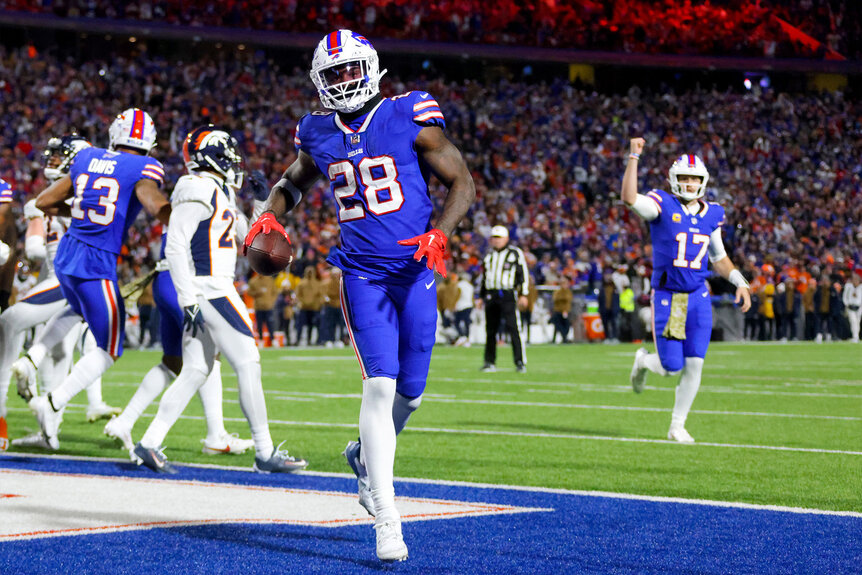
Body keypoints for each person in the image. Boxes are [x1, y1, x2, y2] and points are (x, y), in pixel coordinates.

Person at [244, 29, 474, 562]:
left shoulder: (409, 112)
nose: (345, 81)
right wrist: (271, 214)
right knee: (378, 387)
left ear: (369, 68)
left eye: (351, 70)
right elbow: (290, 182)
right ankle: (387, 517)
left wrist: (441, 231)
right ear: (319, 82)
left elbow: (462, 182)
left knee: (410, 394)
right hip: (362, 275)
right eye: (334, 74)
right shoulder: (317, 130)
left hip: (415, 271)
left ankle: (364, 457)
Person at [134, 125, 306, 474]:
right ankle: (265, 451)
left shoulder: (218, 191)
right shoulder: (195, 187)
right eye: (227, 152)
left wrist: (261, 201)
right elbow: (176, 244)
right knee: (248, 362)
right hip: (210, 288)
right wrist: (188, 298)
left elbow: (250, 240)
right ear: (211, 155)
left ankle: (148, 443)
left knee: (195, 370)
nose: (234, 160)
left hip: (209, 288)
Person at [17, 110, 171, 450]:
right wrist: (185, 213)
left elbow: (43, 201)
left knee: (74, 312)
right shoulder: (143, 169)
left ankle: (34, 360)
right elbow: (155, 205)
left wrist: (81, 212)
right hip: (96, 262)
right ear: (148, 142)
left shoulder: (87, 156)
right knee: (111, 347)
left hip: (67, 256)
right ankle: (54, 401)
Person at [623, 138, 751, 443]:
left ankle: (677, 425)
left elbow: (718, 258)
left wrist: (740, 282)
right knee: (670, 367)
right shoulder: (661, 204)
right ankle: (643, 361)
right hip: (671, 296)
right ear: (673, 180)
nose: (689, 183)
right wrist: (634, 157)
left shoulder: (712, 213)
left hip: (698, 297)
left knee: (695, 364)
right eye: (684, 178)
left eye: (694, 178)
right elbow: (628, 197)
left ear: (703, 181)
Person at [1, 135, 123, 451]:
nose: (51, 162)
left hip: (67, 276)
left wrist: (36, 221)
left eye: (59, 157)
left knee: (10, 323)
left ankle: (12, 397)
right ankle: (48, 432)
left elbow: (37, 250)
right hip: (68, 277)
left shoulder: (69, 199)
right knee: (60, 353)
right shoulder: (78, 196)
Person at [479, 225, 529, 373]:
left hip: (507, 294)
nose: (496, 240)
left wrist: (523, 294)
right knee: (491, 329)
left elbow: (522, 274)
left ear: (506, 238)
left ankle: (520, 361)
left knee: (513, 328)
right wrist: (481, 296)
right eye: (494, 237)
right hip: (491, 294)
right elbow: (484, 278)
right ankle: (489, 361)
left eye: (499, 237)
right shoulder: (489, 256)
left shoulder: (515, 253)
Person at [843, 271, 861, 343]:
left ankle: (856, 336)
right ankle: (855, 336)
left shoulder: (861, 287)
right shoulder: (848, 286)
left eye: (857, 280)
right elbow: (845, 297)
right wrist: (847, 304)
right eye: (854, 279)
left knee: (857, 322)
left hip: (859, 307)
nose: (855, 281)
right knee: (853, 321)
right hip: (850, 307)